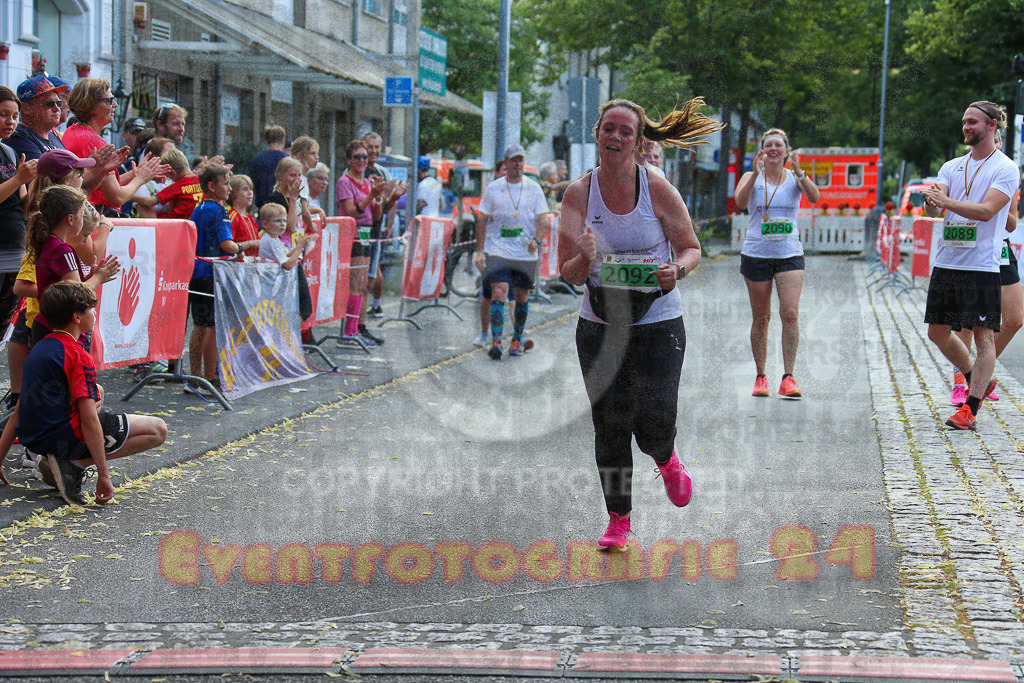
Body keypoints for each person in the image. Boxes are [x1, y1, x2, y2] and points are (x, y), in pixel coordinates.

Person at [558, 97, 718, 549]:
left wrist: (677, 270)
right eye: (608, 128)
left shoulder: (659, 191)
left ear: (639, 141)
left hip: (658, 322)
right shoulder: (577, 195)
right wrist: (583, 257)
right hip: (599, 324)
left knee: (653, 421)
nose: (615, 137)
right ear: (597, 134)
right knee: (609, 424)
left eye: (626, 131)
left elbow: (691, 247)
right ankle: (618, 520)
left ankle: (666, 458)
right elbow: (566, 274)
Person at [18, 281, 168, 506]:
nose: (95, 314)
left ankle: (50, 458)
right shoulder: (78, 356)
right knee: (158, 430)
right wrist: (103, 474)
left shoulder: (39, 347)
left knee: (97, 391)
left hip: (36, 438)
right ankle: (74, 464)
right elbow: (88, 419)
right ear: (77, 317)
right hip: (61, 437)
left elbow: (19, 409)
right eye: (91, 309)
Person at [923, 101, 1020, 430]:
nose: (966, 127)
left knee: (984, 338)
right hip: (948, 261)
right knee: (937, 332)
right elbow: (935, 212)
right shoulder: (951, 166)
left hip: (981, 265)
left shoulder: (1005, 168)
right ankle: (974, 376)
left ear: (992, 125)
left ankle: (970, 409)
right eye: (964, 122)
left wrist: (945, 201)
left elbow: (987, 211)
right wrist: (932, 203)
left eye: (973, 122)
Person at [734, 128, 820, 398]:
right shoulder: (752, 177)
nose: (773, 149)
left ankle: (788, 377)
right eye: (768, 145)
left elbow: (815, 197)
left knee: (790, 314)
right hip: (757, 253)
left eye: (778, 145)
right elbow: (740, 202)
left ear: (786, 151)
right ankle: (761, 376)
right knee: (762, 318)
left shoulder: (794, 178)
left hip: (788, 253)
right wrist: (756, 174)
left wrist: (800, 173)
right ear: (762, 151)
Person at [948, 130, 1022, 406]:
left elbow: (1011, 223)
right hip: (970, 251)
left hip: (999, 251)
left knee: (1014, 318)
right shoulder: (963, 170)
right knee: (968, 324)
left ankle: (980, 374)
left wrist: (995, 210)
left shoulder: (1006, 173)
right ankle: (962, 382)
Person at [473, 144, 549, 359]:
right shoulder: (494, 188)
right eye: (513, 160)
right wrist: (480, 251)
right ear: (505, 163)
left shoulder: (533, 188)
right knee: (499, 291)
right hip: (498, 250)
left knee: (522, 296)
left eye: (520, 160)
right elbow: (482, 220)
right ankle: (496, 341)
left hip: (525, 253)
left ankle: (517, 338)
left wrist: (536, 239)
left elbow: (544, 220)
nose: (517, 164)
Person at [25, 185, 119, 347]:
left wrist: (91, 277)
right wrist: (98, 277)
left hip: (46, 323)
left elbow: (62, 284)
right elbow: (74, 295)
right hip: (60, 330)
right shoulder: (62, 249)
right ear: (70, 219)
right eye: (82, 215)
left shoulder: (49, 242)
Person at [61, 78, 163, 217]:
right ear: (91, 105)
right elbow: (116, 197)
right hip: (95, 217)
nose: (115, 105)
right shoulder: (94, 140)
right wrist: (140, 178)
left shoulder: (72, 131)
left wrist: (137, 172)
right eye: (109, 100)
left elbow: (102, 186)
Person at [7, 76, 125, 192]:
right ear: (26, 108)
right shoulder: (20, 138)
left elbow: (81, 190)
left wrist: (101, 170)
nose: (56, 108)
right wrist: (93, 171)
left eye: (58, 103)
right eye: (49, 103)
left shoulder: (53, 135)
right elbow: (49, 189)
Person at [0, 85, 40, 413]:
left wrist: (42, 191)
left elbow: (24, 206)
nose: (10, 121)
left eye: (14, 115)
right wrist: (17, 180)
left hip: (14, 256)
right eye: (3, 114)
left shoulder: (11, 153)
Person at [188, 163, 239, 390]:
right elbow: (227, 245)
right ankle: (209, 378)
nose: (229, 188)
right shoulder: (220, 210)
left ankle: (194, 377)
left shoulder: (197, 209)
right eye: (225, 184)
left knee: (199, 325)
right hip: (211, 272)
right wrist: (243, 247)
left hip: (195, 271)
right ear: (211, 186)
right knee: (211, 325)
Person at [337, 140, 389, 345]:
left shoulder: (367, 182)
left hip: (367, 233)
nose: (361, 161)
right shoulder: (345, 181)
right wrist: (370, 197)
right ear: (349, 159)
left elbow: (376, 216)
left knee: (363, 284)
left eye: (364, 157)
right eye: (357, 157)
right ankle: (349, 332)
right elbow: (350, 211)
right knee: (355, 284)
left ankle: (356, 329)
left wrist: (380, 197)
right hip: (354, 233)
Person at [363, 131, 405, 320]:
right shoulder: (357, 170)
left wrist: (389, 225)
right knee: (364, 272)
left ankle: (375, 307)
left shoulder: (383, 172)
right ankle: (359, 317)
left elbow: (391, 201)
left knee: (373, 269)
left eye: (376, 147)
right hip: (361, 229)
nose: (373, 151)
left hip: (376, 228)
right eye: (369, 147)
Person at [259, 201, 317, 271]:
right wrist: (299, 248)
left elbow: (287, 254)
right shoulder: (271, 241)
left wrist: (299, 245)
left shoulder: (275, 239)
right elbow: (287, 265)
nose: (283, 224)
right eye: (278, 221)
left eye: (285, 220)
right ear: (265, 224)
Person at [249, 125, 289, 209]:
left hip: (263, 208)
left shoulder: (256, 160)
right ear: (283, 140)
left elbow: (252, 185)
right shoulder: (289, 161)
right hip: (284, 207)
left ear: (267, 141)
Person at [155, 149, 201, 219]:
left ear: (173, 173)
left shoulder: (177, 186)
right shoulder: (201, 180)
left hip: (178, 223)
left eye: (168, 176)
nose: (169, 179)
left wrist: (133, 194)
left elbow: (148, 202)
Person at [227, 175, 262, 258]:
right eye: (245, 189)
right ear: (233, 193)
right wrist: (250, 243)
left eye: (251, 189)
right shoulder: (232, 217)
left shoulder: (250, 219)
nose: (250, 193)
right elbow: (228, 246)